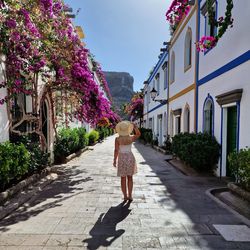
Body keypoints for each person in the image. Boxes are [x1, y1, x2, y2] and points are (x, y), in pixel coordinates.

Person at [113, 121, 141, 202]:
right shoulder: (131, 138)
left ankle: (125, 196)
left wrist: (114, 160)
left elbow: (116, 150)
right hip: (130, 157)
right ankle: (130, 195)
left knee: (123, 178)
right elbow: (138, 134)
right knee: (130, 177)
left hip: (122, 158)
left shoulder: (117, 139)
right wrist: (135, 127)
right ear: (128, 129)